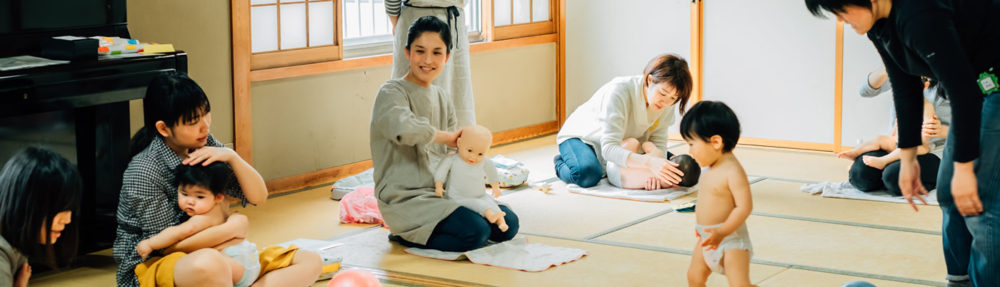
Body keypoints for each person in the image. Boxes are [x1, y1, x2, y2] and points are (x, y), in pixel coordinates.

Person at [806, 0, 1000, 285]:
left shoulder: (919, 15)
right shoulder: (880, 24)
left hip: (990, 87)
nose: (841, 20)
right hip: (972, 91)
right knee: (948, 194)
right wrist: (907, 158)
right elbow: (904, 84)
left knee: (979, 201)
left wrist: (964, 168)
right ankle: (959, 280)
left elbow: (964, 94)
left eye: (842, 10)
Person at [113, 73, 321, 287]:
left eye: (206, 113)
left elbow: (258, 197)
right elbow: (167, 246)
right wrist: (232, 230)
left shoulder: (204, 144)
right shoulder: (144, 170)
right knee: (209, 264)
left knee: (310, 260)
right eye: (194, 121)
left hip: (217, 250)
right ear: (164, 128)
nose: (205, 126)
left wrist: (231, 156)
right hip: (155, 265)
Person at [371, 16, 518, 252]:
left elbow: (452, 156)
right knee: (476, 233)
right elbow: (405, 129)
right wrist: (445, 137)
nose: (428, 60)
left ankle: (446, 226)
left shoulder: (442, 97)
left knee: (508, 225)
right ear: (407, 52)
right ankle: (405, 234)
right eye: (420, 51)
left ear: (447, 57)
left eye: (437, 53)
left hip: (442, 194)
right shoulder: (391, 92)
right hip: (405, 199)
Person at [555, 53, 693, 189]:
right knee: (588, 174)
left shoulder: (666, 104)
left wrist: (653, 173)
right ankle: (561, 162)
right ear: (650, 80)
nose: (666, 102)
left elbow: (659, 145)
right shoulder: (619, 91)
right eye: (662, 93)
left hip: (627, 142)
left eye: (674, 98)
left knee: (680, 168)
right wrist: (649, 163)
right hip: (584, 138)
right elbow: (608, 149)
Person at [134, 163, 259, 287]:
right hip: (249, 258)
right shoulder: (222, 210)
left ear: (218, 197)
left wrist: (151, 243)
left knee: (211, 266)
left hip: (234, 261)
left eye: (199, 196)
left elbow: (180, 231)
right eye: (184, 194)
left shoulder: (201, 218)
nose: (190, 201)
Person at [680, 101, 754, 287]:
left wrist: (722, 231)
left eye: (692, 144)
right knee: (694, 277)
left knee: (739, 284)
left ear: (715, 142)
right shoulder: (709, 168)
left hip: (731, 239)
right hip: (707, 237)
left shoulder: (733, 171)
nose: (690, 151)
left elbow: (744, 207)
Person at [0, 147, 81, 287]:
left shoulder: (17, 244)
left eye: (69, 209)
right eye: (60, 209)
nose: (67, 220)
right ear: (25, 204)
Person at [387, 0, 476, 127]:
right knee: (413, 91)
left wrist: (395, 21)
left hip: (452, 20)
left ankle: (456, 143)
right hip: (416, 20)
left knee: (456, 91)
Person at [434, 125, 509, 232]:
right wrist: (439, 186)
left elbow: (492, 173)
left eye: (480, 154)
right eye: (469, 151)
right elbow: (441, 172)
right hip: (459, 197)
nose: (473, 157)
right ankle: (491, 216)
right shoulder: (453, 160)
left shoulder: (484, 161)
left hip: (480, 195)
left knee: (492, 204)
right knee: (480, 205)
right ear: (459, 143)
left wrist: (495, 187)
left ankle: (502, 222)